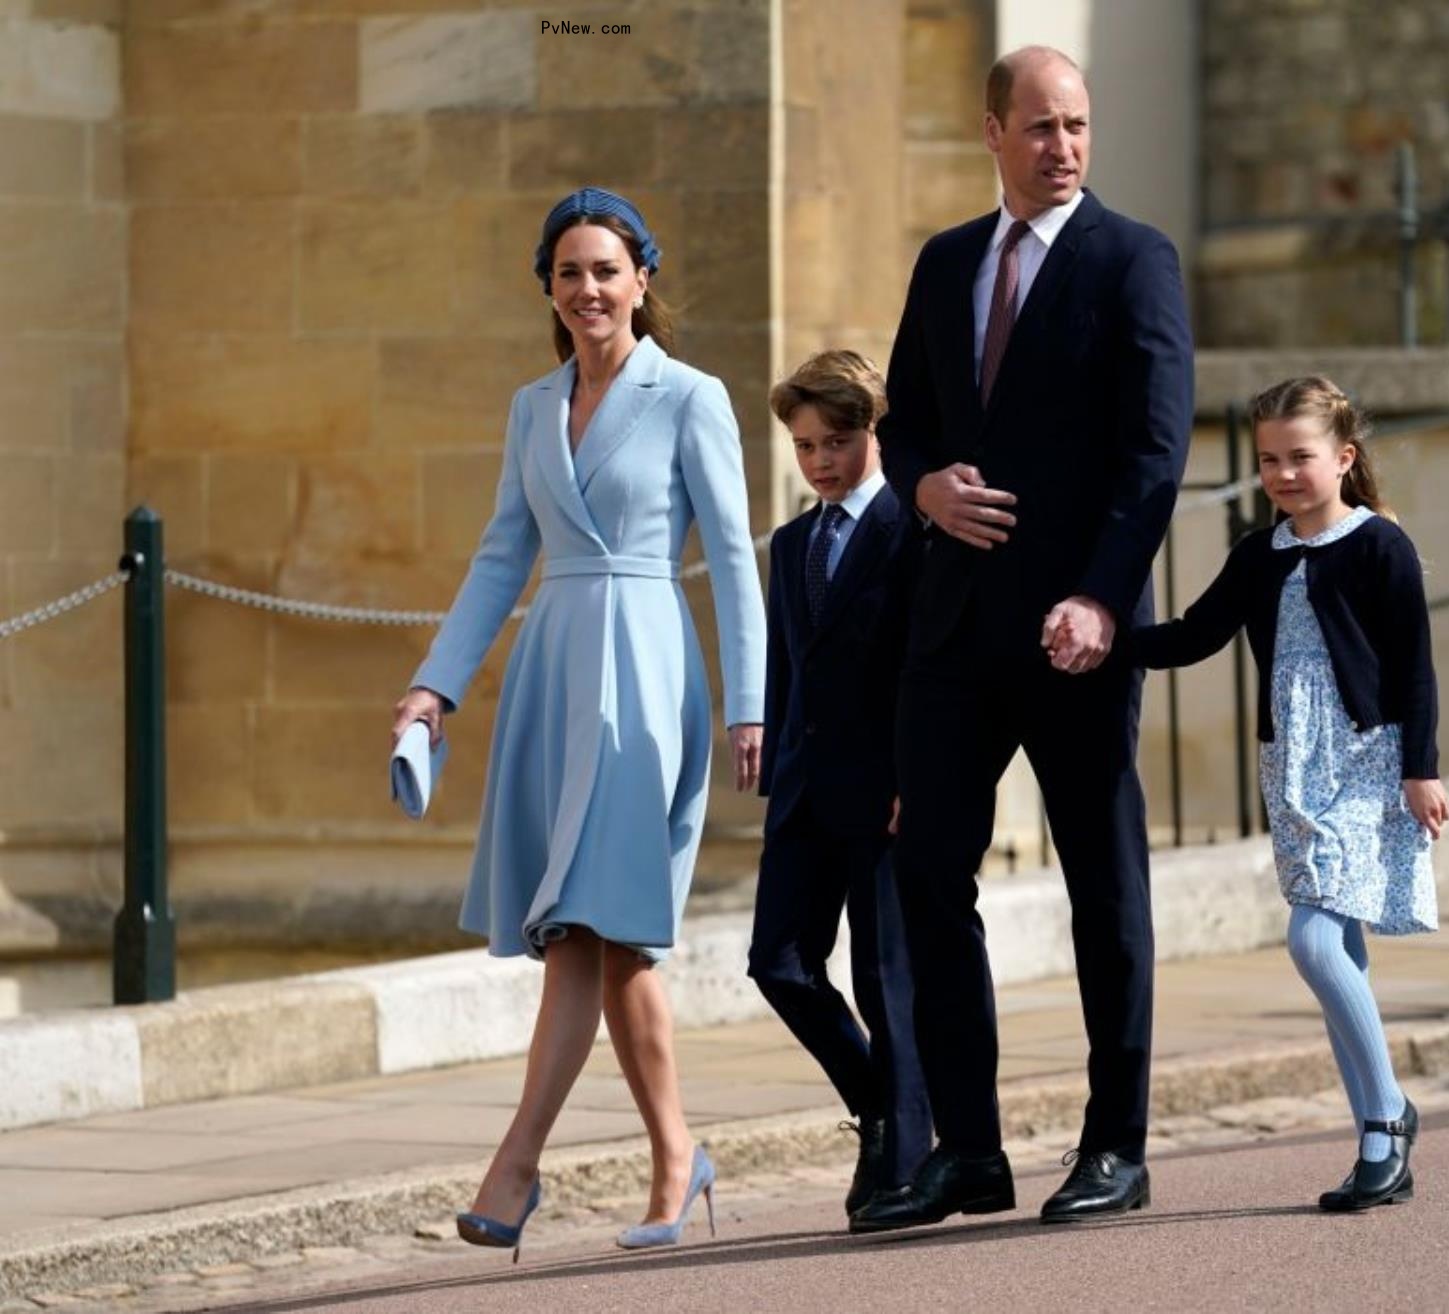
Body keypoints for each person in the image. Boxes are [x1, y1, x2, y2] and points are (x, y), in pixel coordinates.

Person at [850, 46, 1194, 1232]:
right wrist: (926, 487)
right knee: (927, 875)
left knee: (1105, 885)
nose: (1065, 147)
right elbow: (903, 427)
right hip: (952, 632)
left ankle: (1118, 1145)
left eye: (1080, 126)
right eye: (1041, 126)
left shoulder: (1133, 259)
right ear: (991, 131)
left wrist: (1102, 597)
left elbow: (1154, 459)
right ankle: (972, 1153)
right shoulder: (947, 264)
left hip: (1077, 636)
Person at [390, 187, 766, 1256]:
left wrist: (752, 704)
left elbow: (736, 559)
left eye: (607, 269)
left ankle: (516, 1167)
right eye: (569, 272)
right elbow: (501, 555)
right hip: (558, 673)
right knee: (602, 941)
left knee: (590, 932)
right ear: (549, 291)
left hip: (647, 676)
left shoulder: (691, 396)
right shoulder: (530, 407)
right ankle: (676, 1156)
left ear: (643, 278)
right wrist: (435, 687)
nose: (589, 289)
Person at [1127, 376, 1448, 1211]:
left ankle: (1387, 1116)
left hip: (1365, 762)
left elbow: (1414, 663)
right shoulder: (1257, 554)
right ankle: (1379, 1144)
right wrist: (1106, 641)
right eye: (1269, 460)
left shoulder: (1381, 546)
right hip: (1290, 767)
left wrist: (1422, 768)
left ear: (1343, 458)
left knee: (1311, 943)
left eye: (1300, 457)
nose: (1282, 474)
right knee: (1340, 954)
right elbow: (1195, 634)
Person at [748, 350, 933, 1221]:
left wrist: (914, 776)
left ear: (875, 435)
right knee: (778, 963)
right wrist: (778, 777)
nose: (821, 460)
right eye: (805, 445)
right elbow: (789, 669)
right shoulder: (790, 545)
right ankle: (882, 1107)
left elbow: (921, 671)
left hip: (885, 791)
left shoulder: (909, 529)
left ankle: (899, 1162)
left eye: (838, 440)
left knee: (881, 976)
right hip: (803, 790)